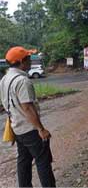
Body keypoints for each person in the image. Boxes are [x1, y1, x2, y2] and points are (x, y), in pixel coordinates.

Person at [0, 46, 56, 187]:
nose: (31, 61)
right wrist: (41, 129)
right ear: (21, 61)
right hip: (30, 129)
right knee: (43, 161)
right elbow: (27, 107)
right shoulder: (22, 81)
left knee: (23, 161)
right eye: (29, 58)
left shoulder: (4, 79)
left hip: (17, 128)